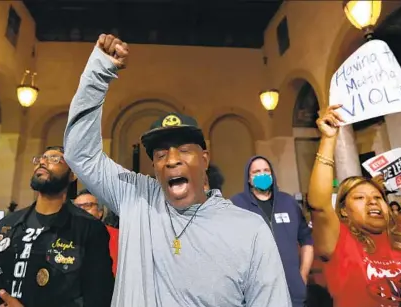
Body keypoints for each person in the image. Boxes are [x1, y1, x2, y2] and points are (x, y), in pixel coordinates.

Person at [64, 33, 291, 307]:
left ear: (205, 159)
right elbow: (80, 154)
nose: (171, 160)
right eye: (160, 154)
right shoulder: (137, 199)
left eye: (184, 150)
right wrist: (99, 72)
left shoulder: (249, 229)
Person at [308, 105, 401, 307]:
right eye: (360, 198)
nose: (373, 201)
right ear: (342, 210)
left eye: (378, 197)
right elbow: (318, 205)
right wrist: (328, 139)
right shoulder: (340, 242)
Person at [0, 146, 114, 307]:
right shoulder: (7, 225)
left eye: (54, 159)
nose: (43, 162)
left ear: (72, 174)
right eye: (40, 158)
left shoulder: (88, 228)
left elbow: (99, 297)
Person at [231, 156, 314, 307]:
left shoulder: (288, 202)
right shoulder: (237, 205)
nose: (262, 175)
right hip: (257, 296)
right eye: (256, 172)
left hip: (293, 293)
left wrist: (303, 275)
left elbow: (306, 240)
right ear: (248, 179)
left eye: (266, 170)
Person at [74, 189, 119, 276]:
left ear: (100, 212)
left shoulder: (118, 236)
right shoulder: (64, 235)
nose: (82, 210)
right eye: (77, 207)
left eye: (88, 205)